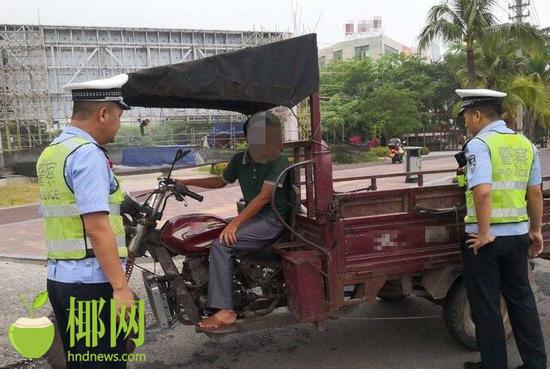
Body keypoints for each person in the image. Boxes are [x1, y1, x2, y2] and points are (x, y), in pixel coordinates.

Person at [37, 74, 134, 368]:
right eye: (118, 116)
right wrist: (120, 288)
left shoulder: (52, 152)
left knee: (82, 361)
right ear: (103, 113)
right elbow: (97, 226)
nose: (118, 124)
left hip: (61, 280)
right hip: (91, 283)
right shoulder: (87, 155)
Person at [455, 89, 546, 369]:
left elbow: (482, 192)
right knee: (521, 301)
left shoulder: (480, 144)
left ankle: (493, 365)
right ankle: (535, 364)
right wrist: (537, 230)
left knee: (486, 306)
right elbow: (535, 193)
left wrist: (483, 233)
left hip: (486, 241)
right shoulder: (525, 144)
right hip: (518, 236)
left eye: (467, 118)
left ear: (478, 115)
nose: (466, 124)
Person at [175, 111, 290, 331]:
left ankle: (225, 311)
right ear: (248, 138)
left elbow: (265, 196)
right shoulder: (240, 159)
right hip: (253, 216)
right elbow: (220, 181)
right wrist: (184, 181)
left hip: (272, 220)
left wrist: (235, 223)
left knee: (222, 244)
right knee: (210, 232)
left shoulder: (279, 160)